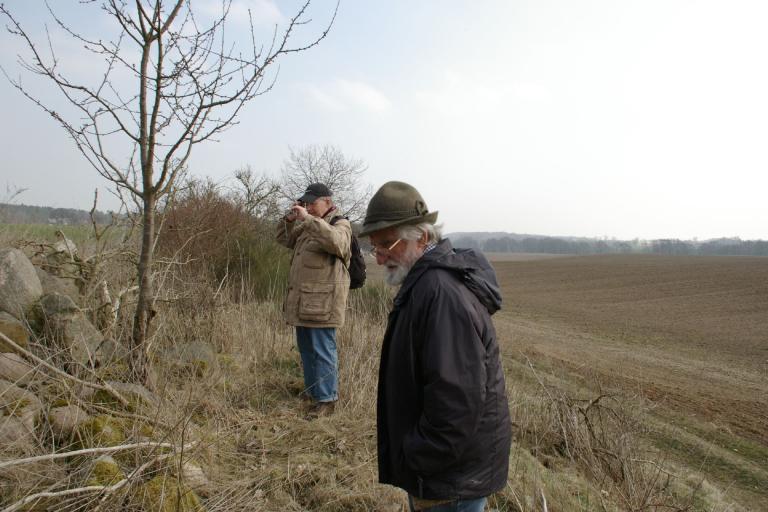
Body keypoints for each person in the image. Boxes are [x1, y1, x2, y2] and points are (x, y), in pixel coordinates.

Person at [359, 181, 511, 512]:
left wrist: (416, 457)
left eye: (387, 243)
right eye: (374, 246)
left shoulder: (442, 295)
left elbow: (456, 407)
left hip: (449, 482)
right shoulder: (425, 284)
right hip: (446, 474)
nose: (379, 257)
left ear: (422, 237)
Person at [276, 182, 352, 417]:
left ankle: (327, 400)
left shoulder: (340, 223)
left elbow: (338, 243)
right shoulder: (308, 225)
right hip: (304, 302)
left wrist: (308, 218)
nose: (308, 206)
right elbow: (284, 239)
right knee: (307, 350)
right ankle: (313, 392)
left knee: (323, 351)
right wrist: (289, 219)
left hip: (323, 305)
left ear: (327, 201)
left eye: (312, 202)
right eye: (305, 203)